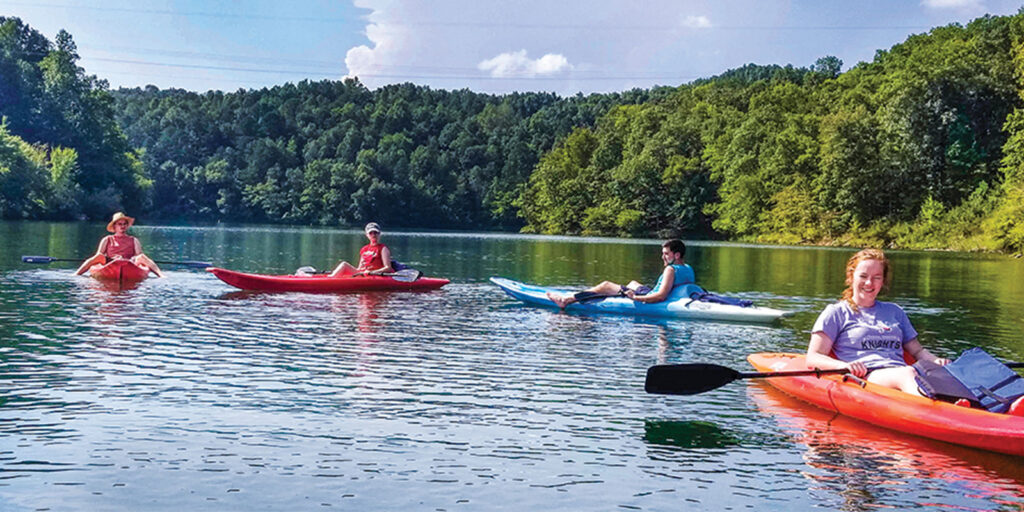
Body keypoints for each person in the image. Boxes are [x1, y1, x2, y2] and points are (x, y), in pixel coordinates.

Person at [806, 248, 949, 396]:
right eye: (863, 276)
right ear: (851, 277)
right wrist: (844, 365)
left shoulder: (895, 311)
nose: (869, 283)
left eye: (877, 277)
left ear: (883, 281)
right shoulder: (836, 313)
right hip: (868, 376)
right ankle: (934, 411)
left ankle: (956, 405)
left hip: (901, 373)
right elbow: (813, 357)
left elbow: (917, 351)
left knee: (930, 373)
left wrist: (936, 361)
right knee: (906, 373)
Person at [547, 239, 695, 309]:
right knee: (633, 283)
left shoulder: (670, 269)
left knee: (605, 285)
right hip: (652, 292)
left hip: (652, 298)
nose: (663, 257)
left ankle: (565, 301)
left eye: (666, 254)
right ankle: (585, 294)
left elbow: (661, 296)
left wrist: (635, 297)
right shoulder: (687, 267)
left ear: (676, 255)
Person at [75, 212, 166, 278]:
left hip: (128, 263)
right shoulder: (107, 239)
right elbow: (99, 257)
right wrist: (114, 260)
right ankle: (77, 273)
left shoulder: (133, 240)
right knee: (99, 256)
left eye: (124, 224)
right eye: (120, 224)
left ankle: (160, 275)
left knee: (141, 256)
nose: (122, 226)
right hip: (110, 263)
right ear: (114, 226)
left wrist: (128, 260)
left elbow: (139, 256)